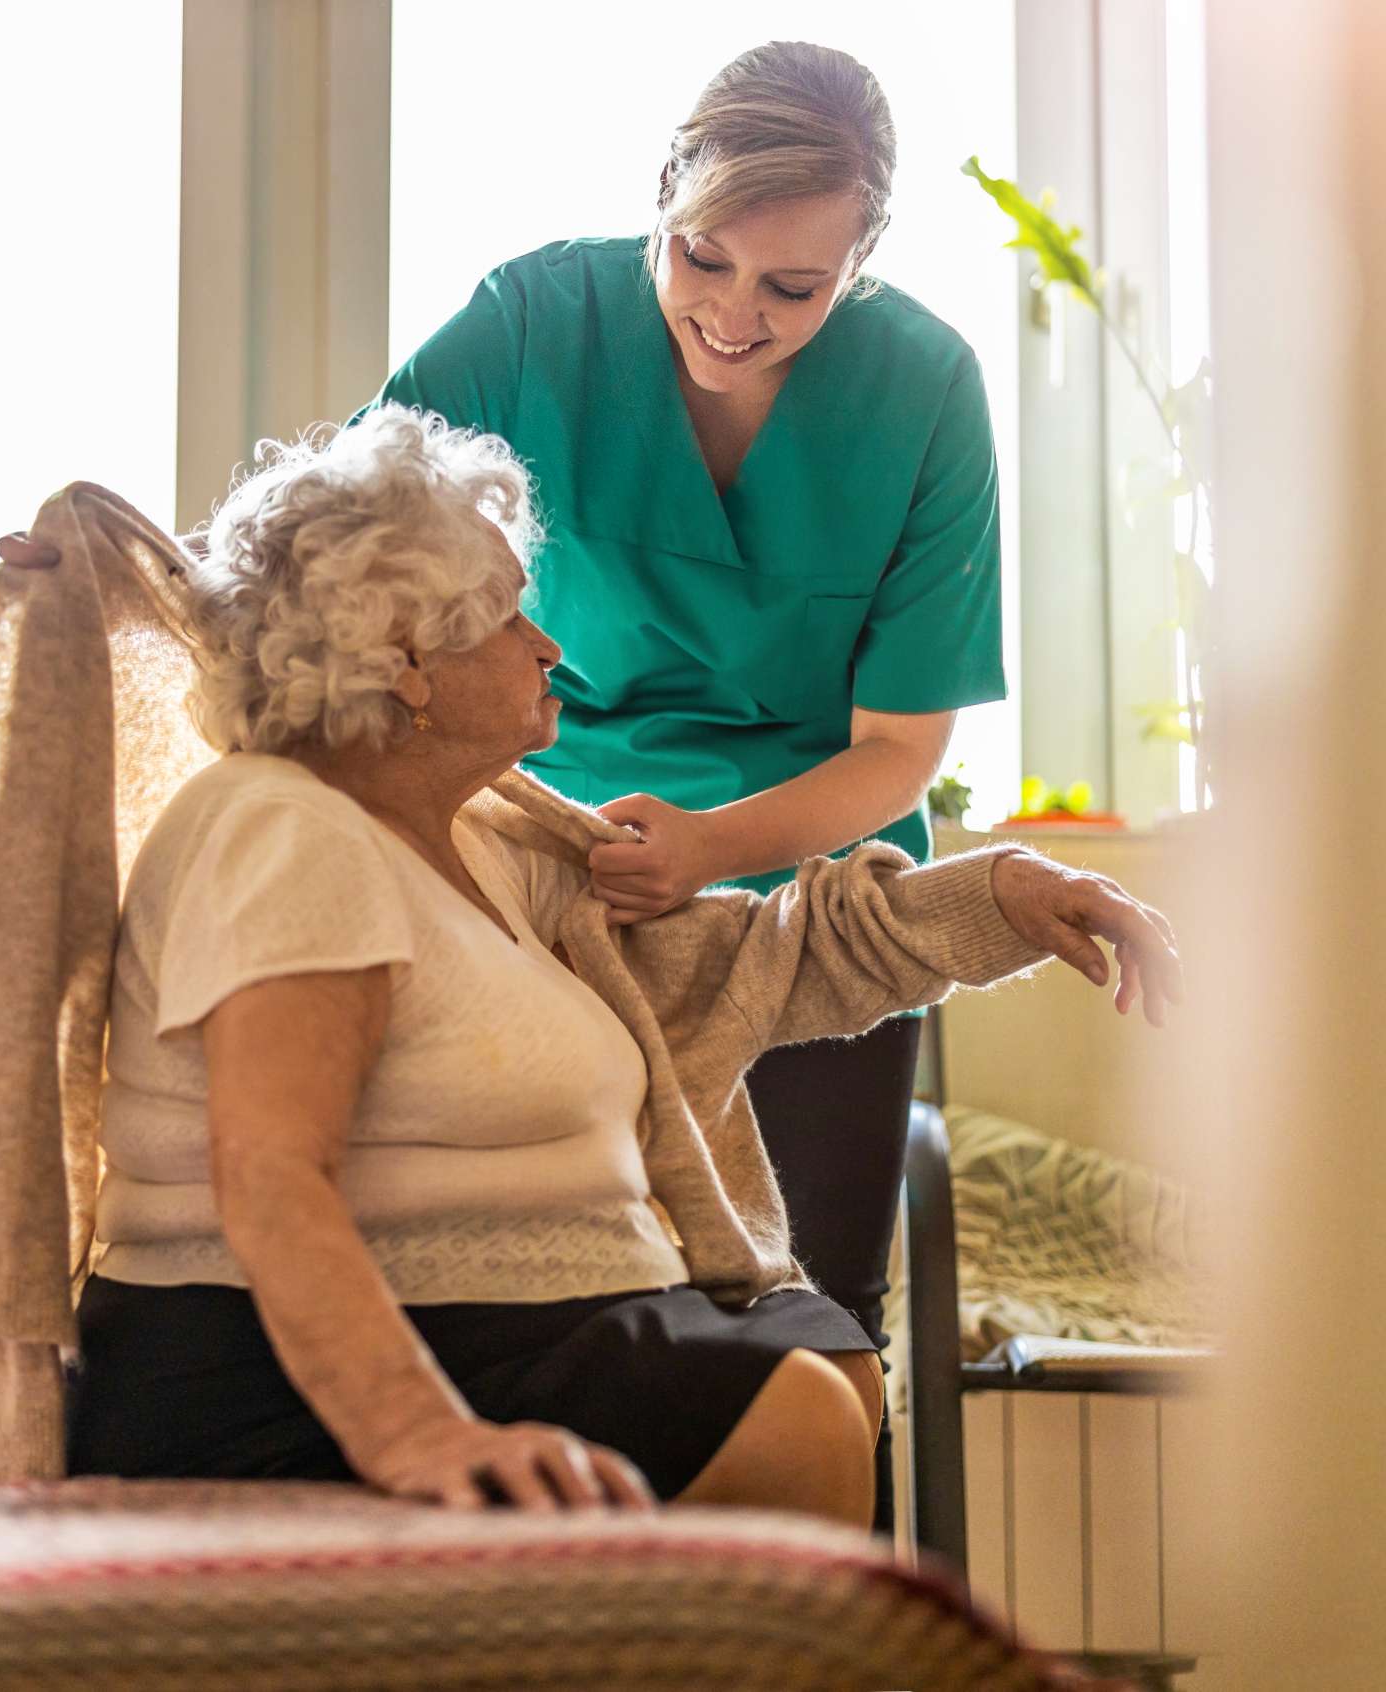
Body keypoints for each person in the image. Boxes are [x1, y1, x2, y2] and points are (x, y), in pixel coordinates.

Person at [58, 407, 1179, 1521]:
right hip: (265, 1368)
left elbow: (758, 960)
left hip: (509, 1321)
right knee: (792, 1416)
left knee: (824, 1367)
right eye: (505, 616)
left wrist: (1008, 895)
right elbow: (269, 1174)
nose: (545, 647)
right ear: (404, 662)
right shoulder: (283, 828)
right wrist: (415, 1430)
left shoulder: (494, 848)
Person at [366, 41, 1000, 1526]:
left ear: (864, 258)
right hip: (553, 876)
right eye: (701, 256)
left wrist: (716, 844)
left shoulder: (924, 389)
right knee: (574, 1315)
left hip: (814, 900)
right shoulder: (537, 317)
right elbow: (342, 540)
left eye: (794, 288)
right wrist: (120, 581)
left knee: (821, 1325)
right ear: (660, 202)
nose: (732, 314)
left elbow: (901, 749)